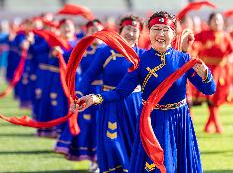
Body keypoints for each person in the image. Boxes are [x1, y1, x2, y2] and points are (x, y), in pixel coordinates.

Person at [74, 11, 216, 173]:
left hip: (179, 120)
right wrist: (95, 97)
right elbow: (120, 93)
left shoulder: (183, 59)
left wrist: (206, 75)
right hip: (152, 121)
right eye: (156, 29)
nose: (161, 34)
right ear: (149, 32)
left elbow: (209, 89)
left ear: (173, 34)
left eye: (165, 30)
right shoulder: (140, 62)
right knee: (160, 167)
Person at [74, 15, 144, 172]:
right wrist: (77, 95)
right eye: (128, 29)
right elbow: (89, 75)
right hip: (109, 103)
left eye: (135, 30)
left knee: (133, 142)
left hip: (134, 104)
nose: (130, 34)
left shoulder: (143, 55)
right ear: (120, 30)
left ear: (140, 34)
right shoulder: (106, 51)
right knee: (111, 142)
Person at [54, 19, 104, 172]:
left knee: (103, 125)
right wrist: (59, 52)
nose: (95, 33)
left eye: (98, 29)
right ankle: (93, 160)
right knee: (89, 125)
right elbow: (67, 55)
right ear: (87, 32)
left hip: (104, 92)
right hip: (87, 91)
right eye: (92, 30)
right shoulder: (81, 49)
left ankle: (104, 160)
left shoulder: (109, 50)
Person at [193, 12, 233, 133]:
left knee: (217, 98)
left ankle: (209, 124)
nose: (217, 23)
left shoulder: (225, 36)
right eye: (215, 20)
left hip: (221, 70)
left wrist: (229, 58)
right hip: (207, 69)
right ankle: (216, 124)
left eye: (219, 21)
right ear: (210, 21)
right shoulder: (203, 34)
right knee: (210, 97)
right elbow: (192, 42)